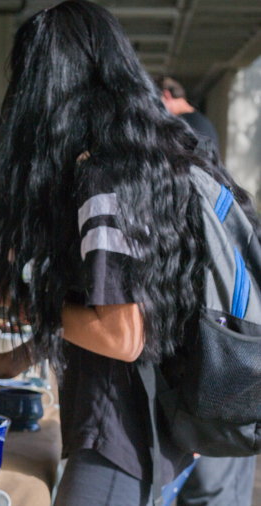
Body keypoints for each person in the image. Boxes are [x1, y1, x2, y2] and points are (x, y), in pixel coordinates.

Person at [0, 2, 260, 504]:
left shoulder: (103, 180)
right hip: (152, 428)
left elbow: (121, 332)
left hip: (119, 440)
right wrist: (16, 358)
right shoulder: (152, 160)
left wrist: (32, 304)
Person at [157, 80, 254, 506]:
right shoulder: (221, 202)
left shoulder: (202, 203)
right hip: (217, 374)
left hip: (226, 373)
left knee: (212, 493)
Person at [158, 76, 220, 150]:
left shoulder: (195, 124)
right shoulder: (199, 123)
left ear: (166, 95)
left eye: (157, 103)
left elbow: (203, 157)